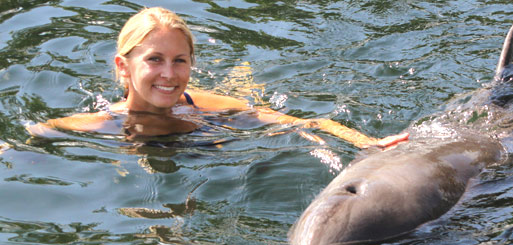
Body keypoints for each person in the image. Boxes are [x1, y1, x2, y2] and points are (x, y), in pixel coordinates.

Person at [26, 7, 408, 149]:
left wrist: (367, 142)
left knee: (247, 95)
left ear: (191, 64)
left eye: (180, 61)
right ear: (123, 67)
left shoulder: (203, 105)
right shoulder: (99, 123)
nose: (169, 74)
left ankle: (244, 78)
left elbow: (304, 122)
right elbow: (29, 140)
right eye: (154, 59)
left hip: (208, 122)